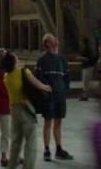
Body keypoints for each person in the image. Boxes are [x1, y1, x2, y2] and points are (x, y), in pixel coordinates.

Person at [4, 50, 52, 169]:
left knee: (16, 140)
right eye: (16, 57)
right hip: (25, 107)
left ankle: (12, 165)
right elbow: (36, 84)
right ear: (14, 61)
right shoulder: (23, 72)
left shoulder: (7, 77)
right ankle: (28, 166)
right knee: (30, 140)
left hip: (14, 109)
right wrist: (47, 88)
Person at [35, 33, 73, 161]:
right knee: (48, 122)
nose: (57, 39)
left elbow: (66, 76)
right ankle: (46, 150)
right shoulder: (43, 59)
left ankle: (59, 148)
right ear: (48, 43)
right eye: (53, 38)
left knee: (58, 122)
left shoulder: (62, 59)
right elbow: (38, 78)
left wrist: (65, 90)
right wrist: (45, 91)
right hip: (48, 96)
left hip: (60, 95)